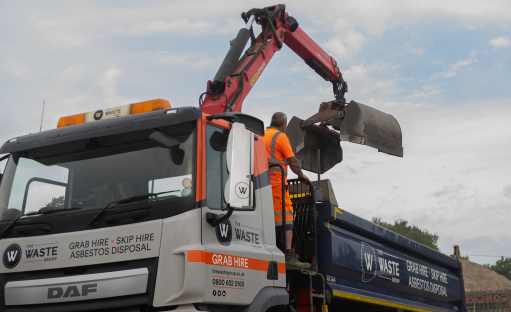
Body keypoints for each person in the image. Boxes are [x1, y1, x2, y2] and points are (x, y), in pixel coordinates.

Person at [264, 112, 310, 269]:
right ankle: (289, 254)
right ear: (283, 125)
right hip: (276, 184)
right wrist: (302, 175)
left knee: (267, 218)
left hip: (260, 184)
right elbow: (292, 161)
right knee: (286, 215)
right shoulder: (280, 137)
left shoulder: (259, 135)